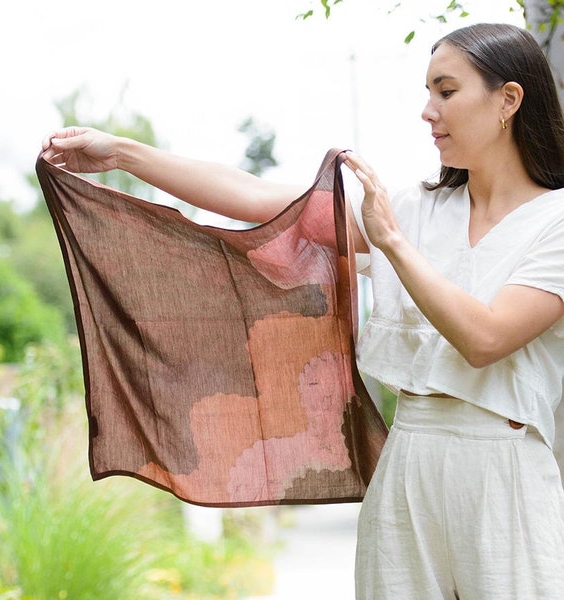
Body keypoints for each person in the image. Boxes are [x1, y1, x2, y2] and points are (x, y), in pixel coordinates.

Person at [42, 22, 564, 600]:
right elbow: (258, 199)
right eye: (427, 92)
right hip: (409, 458)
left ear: (508, 100)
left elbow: (485, 338)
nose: (426, 111)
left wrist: (391, 242)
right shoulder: (417, 210)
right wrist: (121, 153)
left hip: (506, 472)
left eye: (445, 91)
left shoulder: (552, 223)